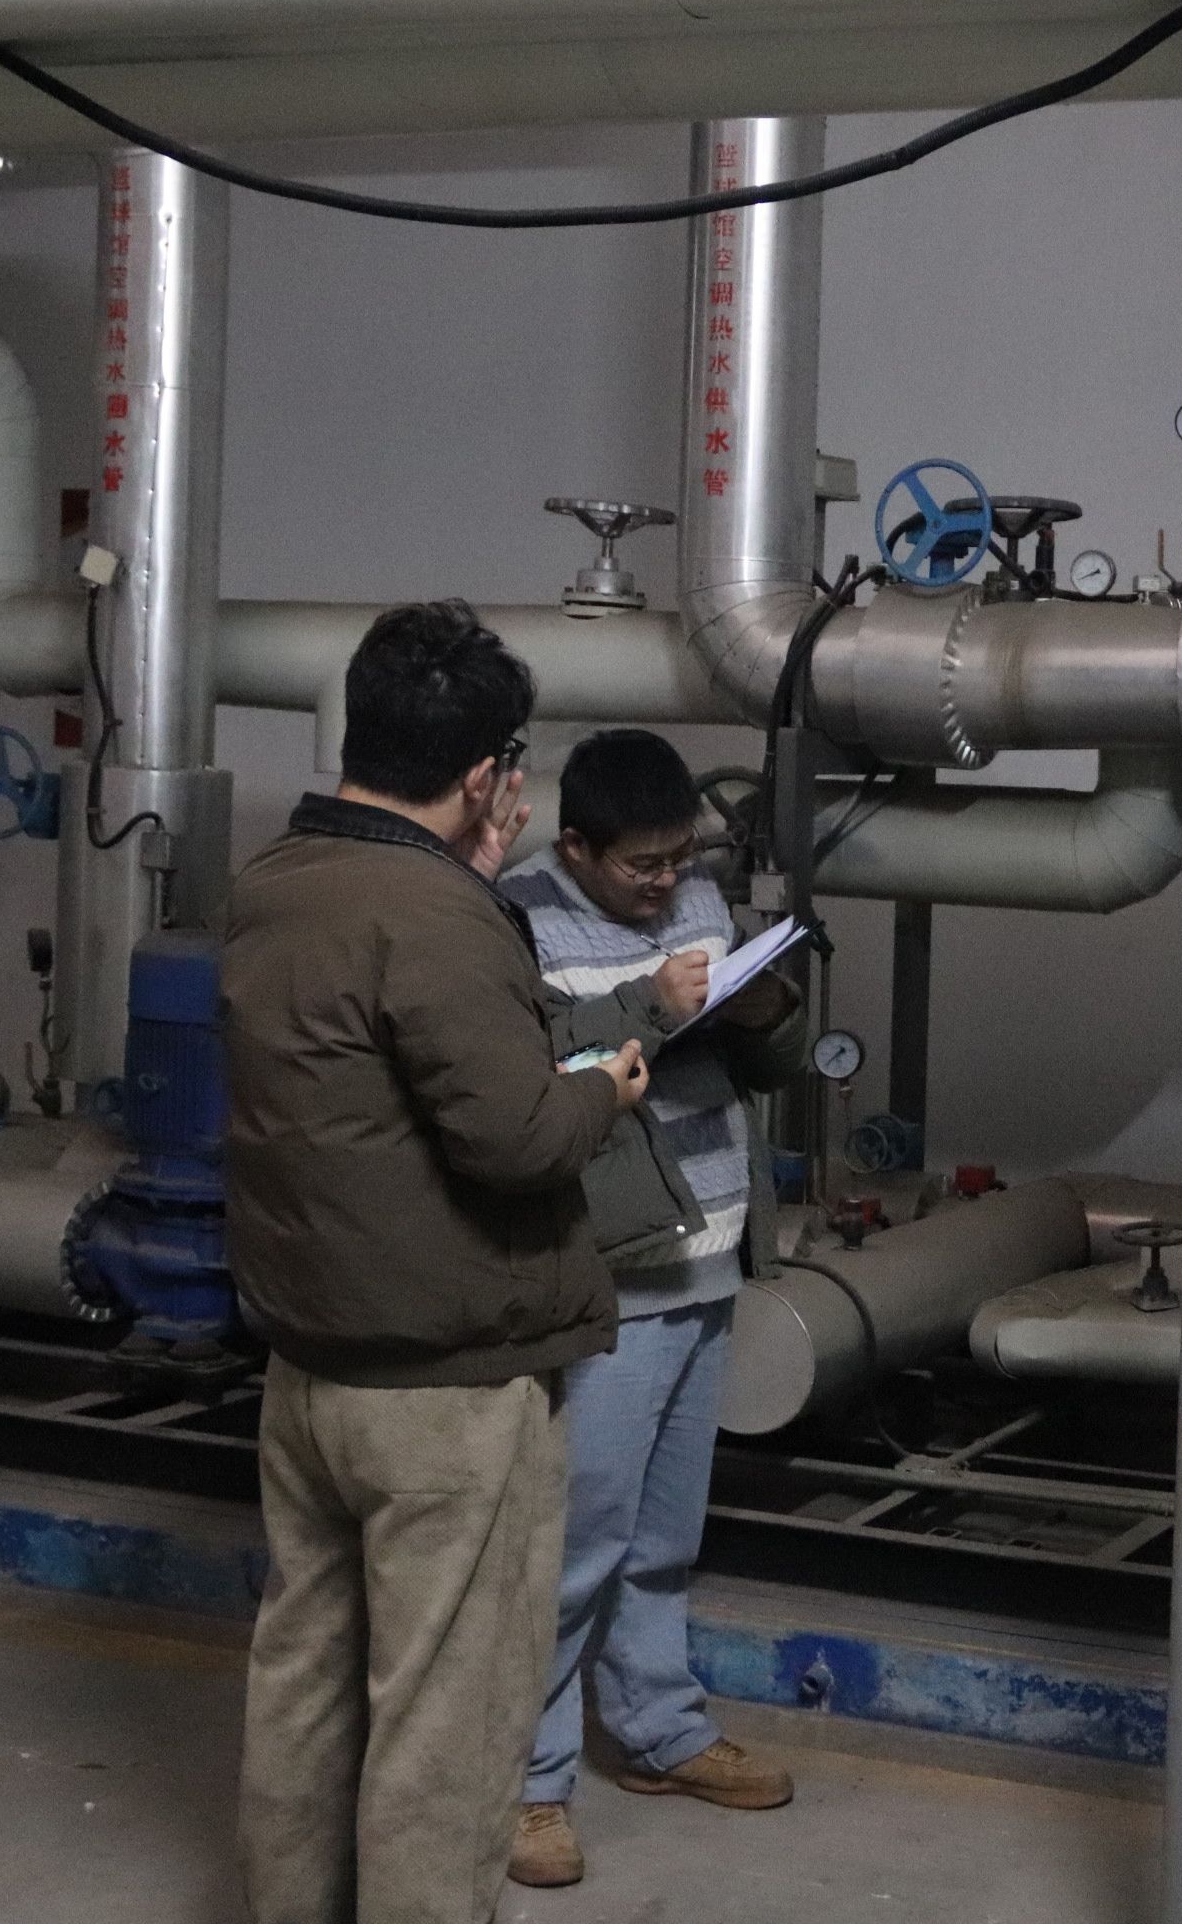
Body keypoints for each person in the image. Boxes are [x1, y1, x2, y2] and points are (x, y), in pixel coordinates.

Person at [225, 601, 652, 1924]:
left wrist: (465, 877)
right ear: (484, 776)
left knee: (304, 1680)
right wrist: (609, 1087)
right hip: (447, 1399)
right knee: (446, 1727)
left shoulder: (275, 881)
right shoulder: (439, 913)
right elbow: (519, 1139)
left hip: (309, 1371)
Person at [496, 728, 810, 1889]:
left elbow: (764, 1068)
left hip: (710, 1254)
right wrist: (650, 1002)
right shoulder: (516, 917)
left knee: (665, 1535)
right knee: (578, 1540)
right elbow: (522, 1083)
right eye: (643, 864)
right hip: (612, 1276)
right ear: (576, 845)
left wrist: (763, 1005)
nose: (667, 881)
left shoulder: (699, 899)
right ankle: (529, 1784)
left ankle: (659, 1729)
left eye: (681, 857)